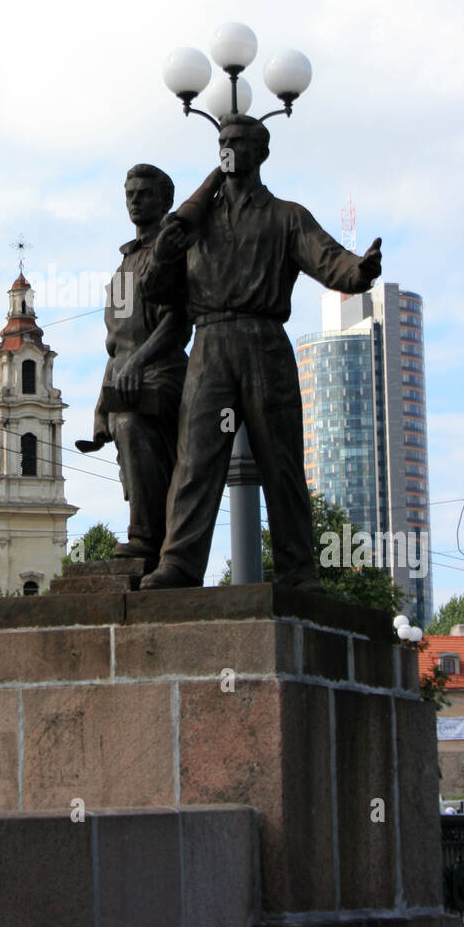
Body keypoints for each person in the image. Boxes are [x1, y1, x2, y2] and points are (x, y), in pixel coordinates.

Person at [139, 111, 382, 591]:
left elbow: (328, 258)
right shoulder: (192, 222)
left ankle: (298, 570)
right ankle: (180, 565)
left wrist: (360, 271)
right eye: (222, 140)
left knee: (281, 461)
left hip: (265, 342)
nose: (228, 147)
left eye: (239, 141)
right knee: (195, 462)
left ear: (261, 153)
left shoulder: (286, 216)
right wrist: (166, 248)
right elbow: (153, 288)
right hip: (209, 344)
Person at [76, 164, 191, 569]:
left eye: (144, 193)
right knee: (123, 427)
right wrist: (100, 406)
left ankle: (147, 537)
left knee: (130, 423)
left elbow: (176, 324)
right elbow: (118, 343)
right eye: (129, 194)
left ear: (166, 200)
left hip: (164, 373)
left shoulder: (172, 250)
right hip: (128, 376)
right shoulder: (126, 264)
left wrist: (137, 364)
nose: (135, 200)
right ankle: (147, 529)